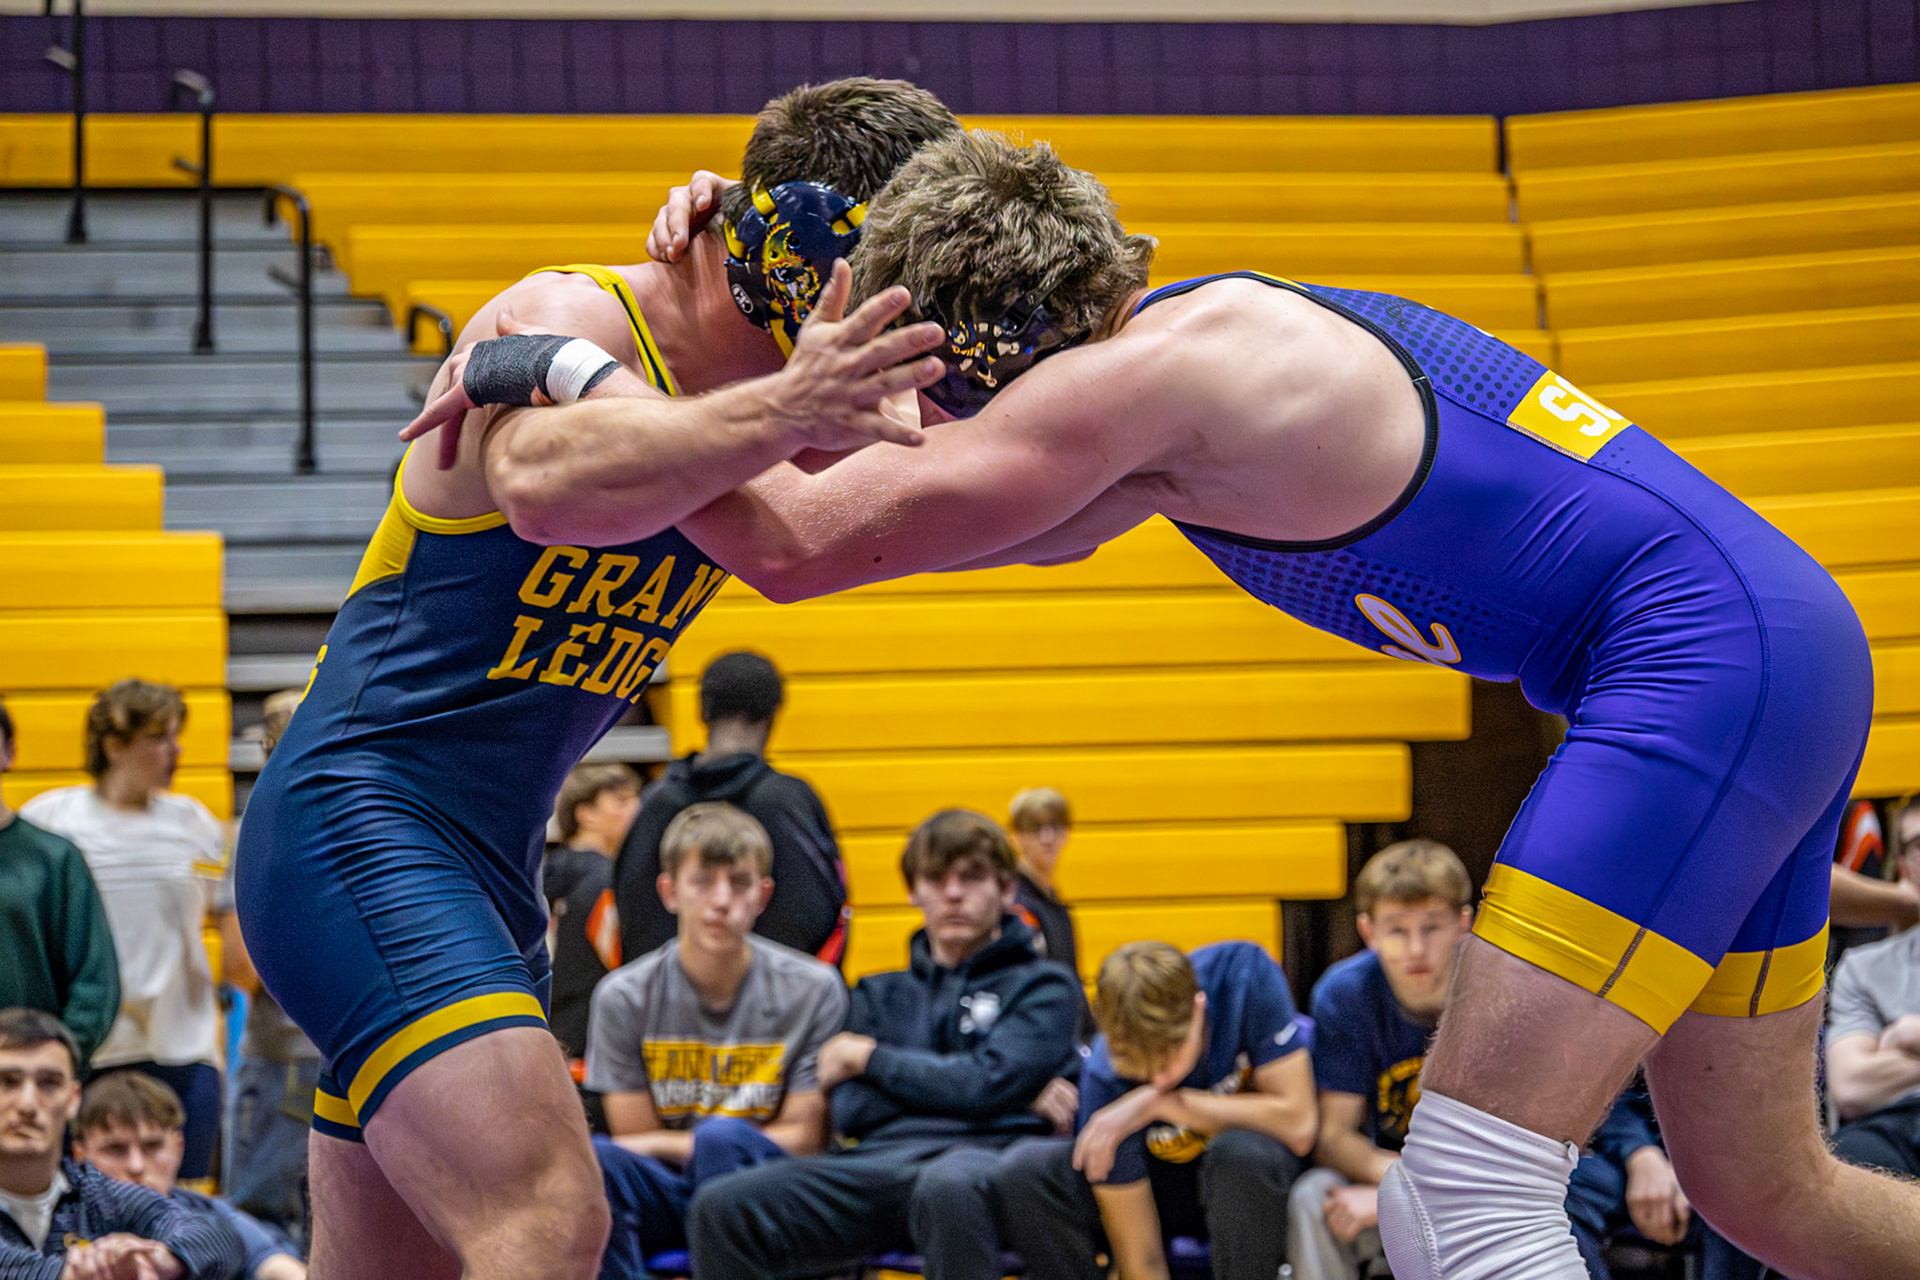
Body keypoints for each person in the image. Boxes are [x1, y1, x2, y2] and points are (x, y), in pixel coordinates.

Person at [633, 129, 1898, 1278]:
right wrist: (731, 328)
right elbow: (865, 508)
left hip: (1698, 664)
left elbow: (791, 546)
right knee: (1770, 1191)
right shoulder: (1174, 385)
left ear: (975, 362)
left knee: (1465, 1200)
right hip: (1775, 648)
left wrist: (613, 364)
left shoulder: (1136, 385)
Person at [232, 79, 954, 1280]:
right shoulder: (578, 309)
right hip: (361, 826)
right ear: (816, 252)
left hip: (492, 873)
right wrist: (781, 404)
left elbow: (917, 485)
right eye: (887, 277)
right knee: (552, 1221)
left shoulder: (775, 393)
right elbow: (540, 485)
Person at [685, 809, 1081, 1280]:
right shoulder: (876, 993)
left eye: (972, 878)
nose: (953, 893)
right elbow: (855, 1107)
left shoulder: (1045, 987)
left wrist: (871, 1059)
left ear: (1007, 890)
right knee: (724, 1206)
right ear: (914, 891)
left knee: (947, 1188)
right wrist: (1004, 1092)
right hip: (876, 1165)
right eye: (936, 878)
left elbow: (987, 1082)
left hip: (982, 1159)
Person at [585, 802, 844, 1274]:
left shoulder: (814, 987)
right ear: (669, 892)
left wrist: (704, 1143)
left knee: (724, 1138)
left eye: (740, 883)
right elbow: (631, 1138)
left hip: (770, 1190)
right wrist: (697, 1149)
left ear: (763, 895)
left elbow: (806, 1139)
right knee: (598, 1164)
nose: (721, 900)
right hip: (672, 1186)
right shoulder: (623, 996)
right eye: (703, 881)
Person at [989, 939, 1316, 1280]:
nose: (1159, 1078)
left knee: (1240, 1154)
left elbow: (1299, 1126)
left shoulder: (1245, 975)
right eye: (1141, 1070)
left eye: (1169, 1058)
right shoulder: (1105, 1072)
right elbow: (1142, 1259)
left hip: (1250, 1179)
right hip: (1165, 1188)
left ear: (1198, 1008)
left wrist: (1159, 1103)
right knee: (1025, 1169)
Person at [21, 681, 226, 1182]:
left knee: (184, 1204)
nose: (176, 750)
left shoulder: (194, 821)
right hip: (89, 1048)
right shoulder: (51, 819)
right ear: (115, 746)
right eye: (161, 737)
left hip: (182, 1043)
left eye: (178, 737)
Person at [1289, 839, 1470, 1280]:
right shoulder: (1344, 994)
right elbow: (1334, 1138)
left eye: (1432, 927)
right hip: (1386, 1173)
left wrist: (1416, 1193)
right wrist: (1403, 1186)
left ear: (1464, 923)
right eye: (1396, 930)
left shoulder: (1496, 990)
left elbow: (1513, 1149)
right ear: (1368, 932)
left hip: (1478, 1185)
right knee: (1314, 1196)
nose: (1415, 949)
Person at [616, 651, 847, 965]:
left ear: (702, 712)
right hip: (779, 1007)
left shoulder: (656, 803)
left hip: (669, 1007)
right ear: (772, 714)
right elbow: (829, 918)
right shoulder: (791, 802)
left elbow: (627, 920)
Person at [0, 1007, 244, 1280]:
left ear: (73, 1099)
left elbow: (217, 1237)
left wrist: (160, 1257)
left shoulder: (95, 1193)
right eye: (7, 1082)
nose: (28, 1104)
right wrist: (76, 1271)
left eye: (49, 1083)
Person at [217, 692, 319, 1249]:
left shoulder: (264, 823)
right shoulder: (371, 812)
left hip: (285, 1059)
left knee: (262, 1224)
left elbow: (240, 968)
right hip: (364, 1054)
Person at [72, 1072, 305, 1280]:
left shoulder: (213, 1216)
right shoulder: (57, 1223)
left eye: (152, 1146)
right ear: (80, 1156)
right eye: (115, 1149)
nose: (136, 1166)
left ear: (178, 1147)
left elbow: (279, 1267)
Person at [0, 696, 120, 1071]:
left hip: (30, 1085)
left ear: (9, 752)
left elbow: (95, 982)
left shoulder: (53, 859)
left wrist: (53, 1063)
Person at [1825, 798, 1920, 1178]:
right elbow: (1851, 1088)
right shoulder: (1864, 968)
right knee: (1849, 1157)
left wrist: (1908, 1037)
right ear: (1903, 868)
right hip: (1898, 1127)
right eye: (1919, 845)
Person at [545, 764, 641, 1062]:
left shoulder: (537, 874)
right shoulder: (609, 880)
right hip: (594, 1045)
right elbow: (626, 966)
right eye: (622, 801)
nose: (637, 808)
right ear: (585, 814)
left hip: (542, 1036)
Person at [1005, 787, 1077, 972]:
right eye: (1036, 828)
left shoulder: (1052, 901)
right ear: (1016, 836)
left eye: (1056, 827)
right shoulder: (1016, 905)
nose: (1048, 838)